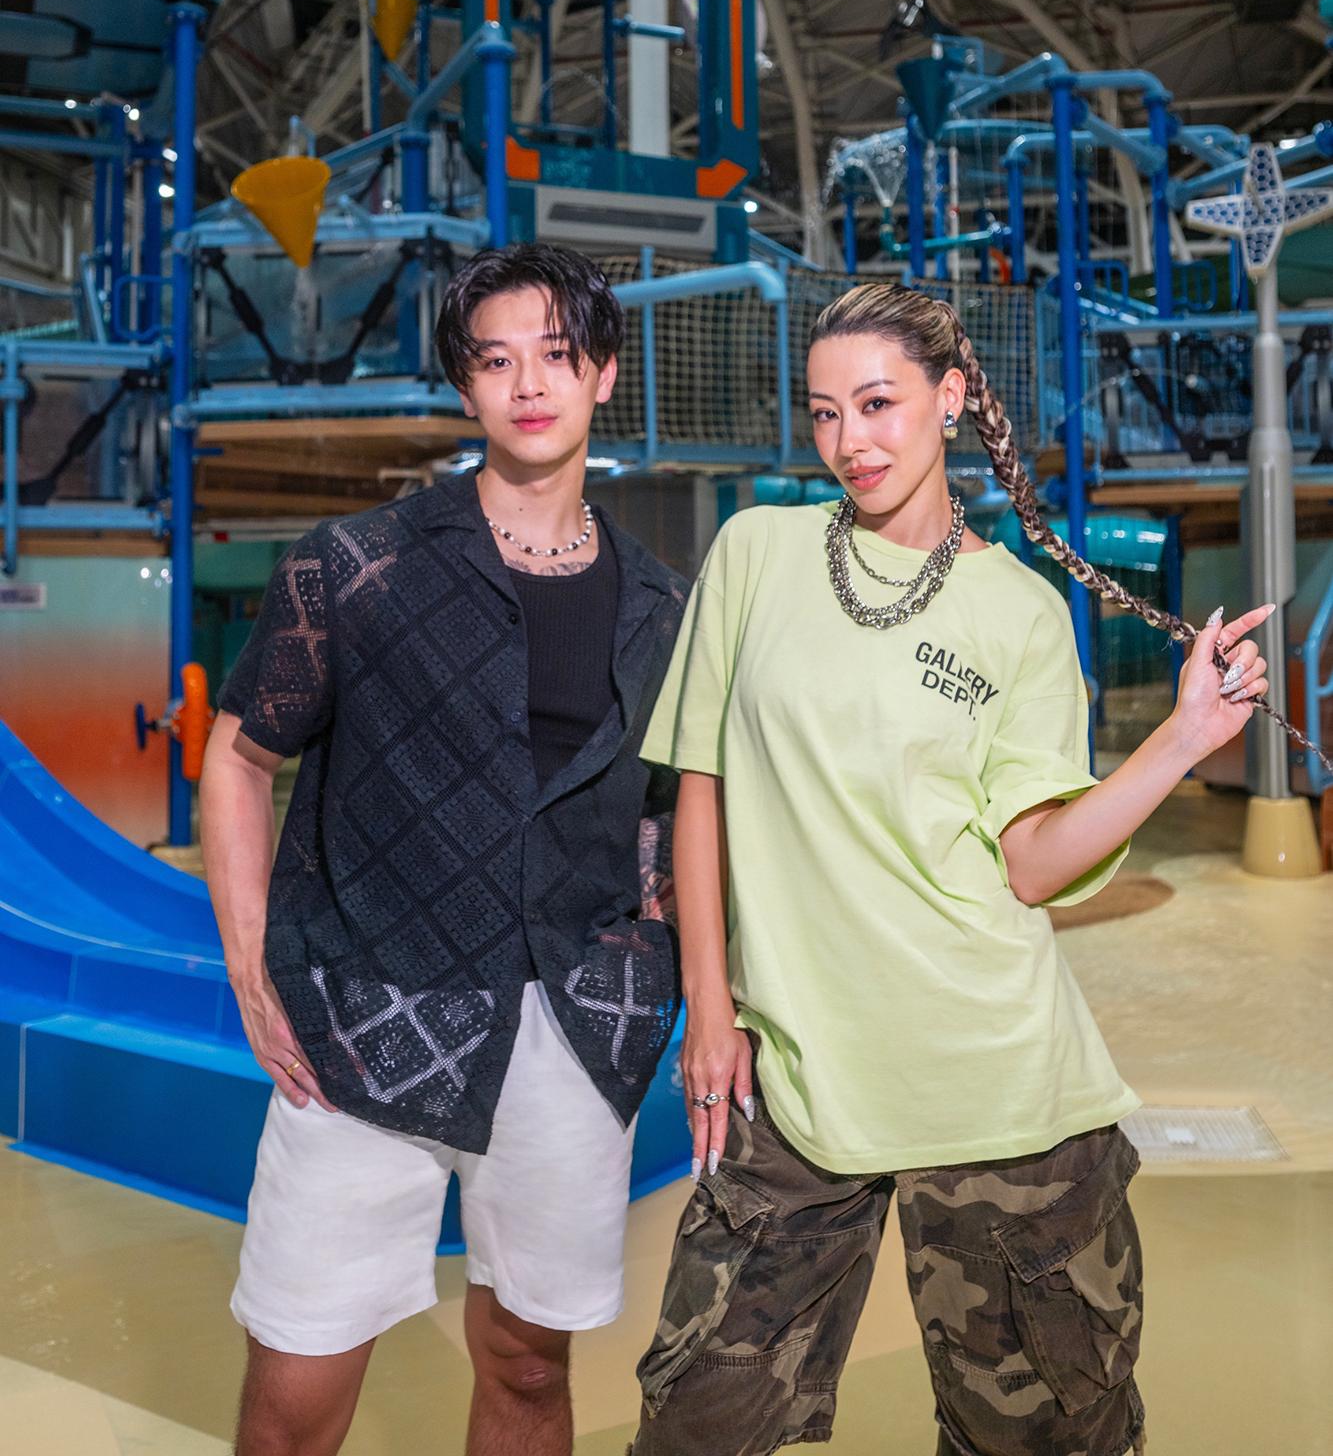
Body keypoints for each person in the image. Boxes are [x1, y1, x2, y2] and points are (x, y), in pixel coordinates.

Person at [630, 281, 1278, 1456]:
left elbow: (1032, 861)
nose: (850, 440)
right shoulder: (756, 552)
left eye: (878, 403)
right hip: (796, 1082)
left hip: (998, 1095)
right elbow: (702, 782)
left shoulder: (1019, 612)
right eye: (825, 412)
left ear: (950, 397)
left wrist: (1181, 739)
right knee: (692, 1429)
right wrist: (707, 1004)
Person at [199, 242, 686, 1456]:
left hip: (571, 1031)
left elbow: (668, 808)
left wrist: (655, 965)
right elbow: (238, 759)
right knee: (296, 1376)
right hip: (361, 1020)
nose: (529, 383)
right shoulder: (356, 565)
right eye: (496, 360)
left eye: (557, 354)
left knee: (527, 1364)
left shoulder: (662, 606)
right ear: (465, 387)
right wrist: (251, 963)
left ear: (603, 372)